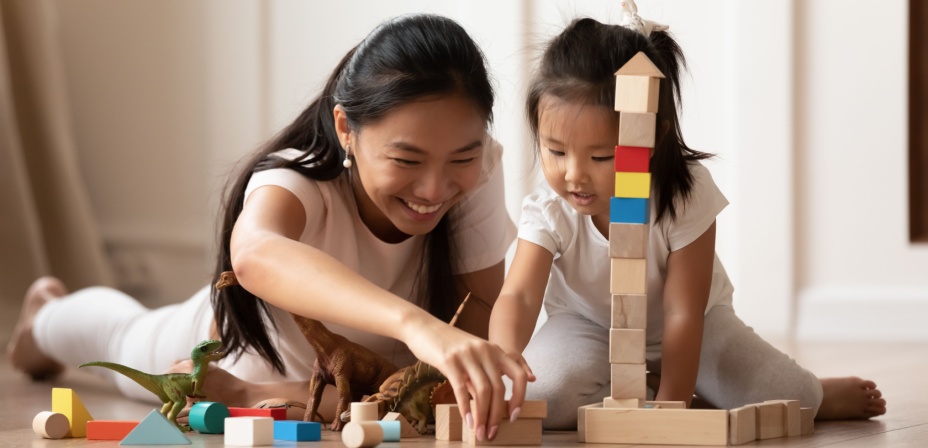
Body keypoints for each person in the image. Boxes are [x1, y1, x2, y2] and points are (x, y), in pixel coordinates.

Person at [8, 14, 532, 441]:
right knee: (121, 337)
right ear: (345, 128)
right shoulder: (295, 178)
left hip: (353, 377)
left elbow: (482, 305)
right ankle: (43, 317)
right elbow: (255, 254)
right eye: (407, 160)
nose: (436, 190)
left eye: (460, 158)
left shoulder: (479, 167)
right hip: (230, 350)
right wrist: (419, 326)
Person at [487, 9, 887, 429]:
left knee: (790, 395)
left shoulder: (686, 193)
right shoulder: (550, 209)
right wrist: (503, 362)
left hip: (696, 325)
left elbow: (682, 312)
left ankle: (815, 391)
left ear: (651, 138)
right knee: (541, 398)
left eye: (601, 156)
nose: (573, 174)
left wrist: (671, 406)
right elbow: (520, 296)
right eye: (555, 151)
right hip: (587, 326)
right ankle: (641, 387)